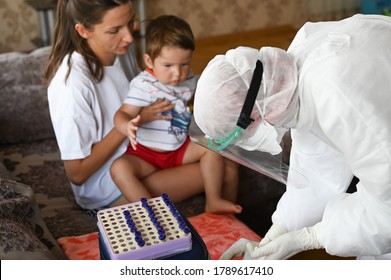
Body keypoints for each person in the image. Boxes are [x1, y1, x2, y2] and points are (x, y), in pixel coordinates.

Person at [193, 14, 391, 259]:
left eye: (242, 135)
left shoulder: (337, 95)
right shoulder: (291, 80)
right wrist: (281, 229)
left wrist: (311, 237)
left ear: (254, 115)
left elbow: (387, 213)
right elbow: (317, 163)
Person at [44, 0, 206, 210]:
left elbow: (148, 90)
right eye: (115, 30)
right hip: (108, 183)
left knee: (221, 156)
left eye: (131, 22)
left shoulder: (121, 50)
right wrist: (135, 121)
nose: (129, 37)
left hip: (142, 153)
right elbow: (77, 173)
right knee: (220, 170)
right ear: (83, 30)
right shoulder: (71, 84)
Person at [110, 15, 242, 214]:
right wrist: (127, 125)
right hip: (146, 154)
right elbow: (121, 114)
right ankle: (151, 212)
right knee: (119, 168)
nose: (177, 73)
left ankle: (214, 200)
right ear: (149, 61)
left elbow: (195, 98)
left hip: (179, 149)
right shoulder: (144, 85)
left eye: (184, 64)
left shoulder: (188, 79)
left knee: (212, 145)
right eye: (168, 66)